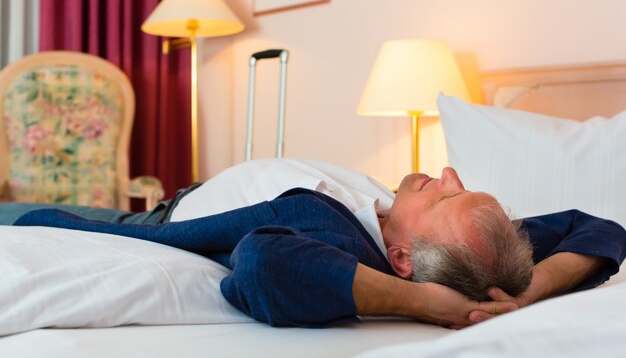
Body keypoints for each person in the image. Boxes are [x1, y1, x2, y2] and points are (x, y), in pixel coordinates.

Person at [9, 159, 626, 328]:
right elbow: (596, 227)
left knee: (19, 211)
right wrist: (529, 291)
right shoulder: (489, 250)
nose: (447, 174)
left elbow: (261, 264)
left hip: (149, 220)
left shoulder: (331, 242)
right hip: (181, 189)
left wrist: (423, 306)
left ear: (405, 260)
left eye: (442, 197)